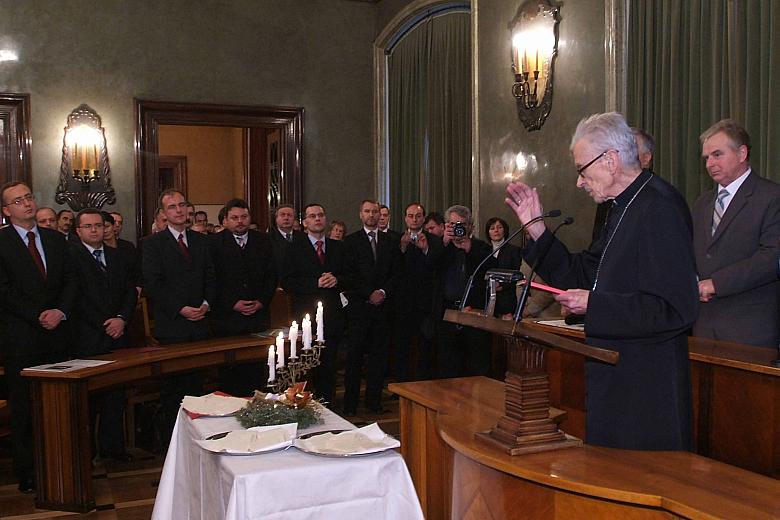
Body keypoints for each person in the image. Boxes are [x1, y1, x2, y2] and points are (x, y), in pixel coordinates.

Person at [506, 112, 698, 451]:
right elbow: (583, 273)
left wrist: (595, 305)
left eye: (582, 168)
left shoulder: (659, 207)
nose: (579, 181)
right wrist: (537, 229)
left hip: (646, 390)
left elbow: (674, 309)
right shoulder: (618, 208)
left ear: (610, 160)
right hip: (616, 378)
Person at [0, 182, 77, 493]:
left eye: (29, 197)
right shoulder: (2, 243)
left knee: (60, 406)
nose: (27, 204)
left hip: (59, 335)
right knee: (26, 408)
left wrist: (59, 311)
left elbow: (72, 280)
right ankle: (28, 470)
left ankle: (63, 463)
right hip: (22, 337)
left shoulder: (55, 239)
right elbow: (4, 291)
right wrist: (38, 315)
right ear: (6, 211)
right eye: (18, 201)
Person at [692, 119, 780, 348]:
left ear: (742, 153)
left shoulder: (771, 197)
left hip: (750, 329)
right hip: (703, 326)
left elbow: (772, 258)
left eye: (717, 154)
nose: (710, 163)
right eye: (706, 158)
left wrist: (716, 284)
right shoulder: (702, 203)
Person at [142, 189, 216, 440]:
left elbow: (211, 276)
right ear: (163, 213)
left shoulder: (201, 241)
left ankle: (200, 437)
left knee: (198, 385)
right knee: (175, 387)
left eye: (182, 205)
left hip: (200, 322)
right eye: (172, 207)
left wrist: (206, 303)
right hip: (173, 325)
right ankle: (173, 440)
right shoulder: (152, 244)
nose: (179, 210)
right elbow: (154, 284)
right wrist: (180, 308)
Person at [70, 208, 137, 461]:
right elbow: (76, 298)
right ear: (79, 231)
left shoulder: (116, 256)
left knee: (115, 396)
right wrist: (103, 323)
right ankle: (87, 453)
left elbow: (130, 291)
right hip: (87, 336)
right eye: (88, 226)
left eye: (99, 225)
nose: (95, 230)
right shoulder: (72, 257)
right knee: (89, 400)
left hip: (118, 335)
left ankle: (114, 450)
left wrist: (121, 318)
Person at [281, 203, 351, 405]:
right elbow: (287, 281)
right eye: (312, 216)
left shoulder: (339, 247)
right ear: (305, 223)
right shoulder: (294, 248)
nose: (317, 219)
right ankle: (303, 405)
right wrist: (315, 282)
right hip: (305, 316)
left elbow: (352, 276)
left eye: (320, 215)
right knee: (305, 365)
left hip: (333, 315)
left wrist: (337, 280)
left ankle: (328, 406)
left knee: (329, 365)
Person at [341, 199, 402, 414]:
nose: (372, 215)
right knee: (355, 357)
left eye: (375, 211)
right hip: (359, 307)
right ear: (360, 214)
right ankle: (350, 403)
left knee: (379, 358)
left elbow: (397, 273)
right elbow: (348, 275)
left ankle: (374, 401)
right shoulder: (350, 242)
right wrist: (369, 293)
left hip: (383, 309)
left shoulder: (390, 241)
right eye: (367, 211)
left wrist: (383, 292)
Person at [432, 205, 492, 378]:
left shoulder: (481, 248)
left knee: (476, 365)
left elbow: (489, 271)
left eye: (462, 224)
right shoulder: (441, 247)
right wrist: (444, 243)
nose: (457, 227)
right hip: (446, 314)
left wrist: (469, 249)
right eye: (452, 224)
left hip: (474, 313)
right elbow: (429, 267)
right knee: (448, 366)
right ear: (446, 226)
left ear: (470, 226)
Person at [393, 203, 442, 381]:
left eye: (418, 216)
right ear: (405, 218)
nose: (414, 219)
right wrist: (403, 248)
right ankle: (400, 384)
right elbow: (393, 269)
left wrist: (425, 250)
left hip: (425, 303)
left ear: (423, 218)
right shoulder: (396, 239)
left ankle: (423, 383)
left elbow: (437, 269)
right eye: (411, 216)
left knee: (425, 347)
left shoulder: (434, 240)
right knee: (401, 347)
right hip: (402, 303)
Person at [484, 217, 523, 317]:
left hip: (508, 300)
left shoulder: (514, 251)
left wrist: (501, 285)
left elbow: (519, 275)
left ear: (505, 230)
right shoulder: (484, 251)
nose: (496, 230)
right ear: (488, 233)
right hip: (487, 300)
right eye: (492, 228)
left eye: (499, 227)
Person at [269, 204, 302, 274]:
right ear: (276, 219)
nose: (286, 218)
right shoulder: (268, 239)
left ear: (294, 219)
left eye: (289, 215)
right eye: (282, 215)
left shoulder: (303, 237)